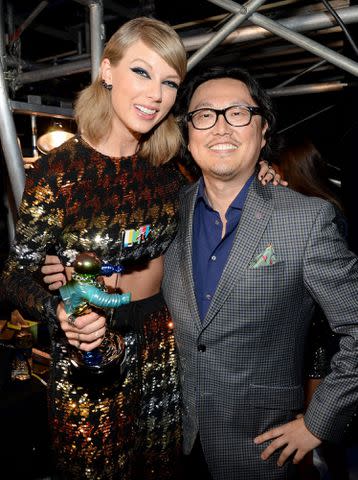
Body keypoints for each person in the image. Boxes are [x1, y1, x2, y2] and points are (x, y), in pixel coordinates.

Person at [0, 18, 280, 480]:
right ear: (107, 70)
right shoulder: (60, 171)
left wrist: (261, 174)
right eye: (141, 72)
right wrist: (59, 311)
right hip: (89, 346)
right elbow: (14, 275)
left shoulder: (170, 163)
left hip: (164, 340)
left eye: (169, 81)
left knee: (161, 468)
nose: (156, 94)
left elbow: (227, 176)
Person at [161, 66, 358, 480]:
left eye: (237, 113)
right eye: (205, 114)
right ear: (188, 133)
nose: (220, 127)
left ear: (262, 130)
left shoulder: (306, 220)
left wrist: (317, 422)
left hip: (262, 450)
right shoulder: (167, 214)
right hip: (176, 444)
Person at [273, 135, 350, 480]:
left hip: (319, 336)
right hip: (318, 334)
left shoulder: (316, 215)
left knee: (310, 431)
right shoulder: (326, 204)